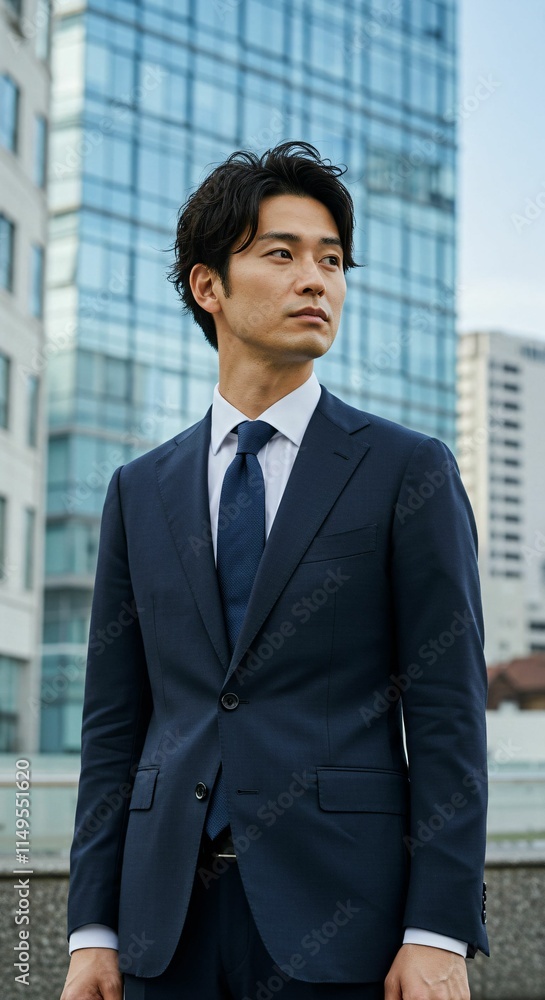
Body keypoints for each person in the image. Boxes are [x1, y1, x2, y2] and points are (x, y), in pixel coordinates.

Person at [60, 141, 489, 1000]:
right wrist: (91, 930)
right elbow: (114, 725)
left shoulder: (406, 470)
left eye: (331, 261)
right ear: (207, 286)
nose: (315, 281)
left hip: (345, 922)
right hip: (160, 927)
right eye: (282, 254)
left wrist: (438, 930)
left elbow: (448, 712)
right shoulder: (139, 489)